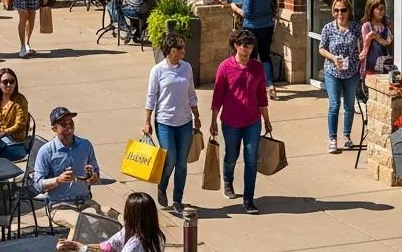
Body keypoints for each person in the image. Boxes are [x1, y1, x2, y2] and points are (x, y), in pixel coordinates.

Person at [209, 27, 272, 214]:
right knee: (231, 156)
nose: (246, 50)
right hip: (230, 121)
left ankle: (248, 198)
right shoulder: (225, 67)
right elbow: (217, 97)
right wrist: (213, 121)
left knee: (251, 159)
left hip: (253, 121)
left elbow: (262, 97)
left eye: (250, 46)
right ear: (236, 46)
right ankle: (227, 180)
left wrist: (267, 120)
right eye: (243, 46)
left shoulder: (257, 68)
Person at [144, 33, 200, 215]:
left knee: (182, 163)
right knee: (171, 160)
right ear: (170, 51)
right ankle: (162, 185)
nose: (184, 51)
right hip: (165, 122)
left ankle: (177, 199)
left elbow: (191, 93)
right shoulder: (158, 71)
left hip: (184, 121)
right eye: (180, 48)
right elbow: (151, 97)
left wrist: (196, 115)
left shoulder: (187, 68)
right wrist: (147, 121)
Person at [33, 107, 101, 220]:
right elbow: (38, 185)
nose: (69, 126)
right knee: (83, 224)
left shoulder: (85, 145)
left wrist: (92, 176)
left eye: (71, 123)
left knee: (109, 221)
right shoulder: (46, 151)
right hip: (59, 205)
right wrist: (58, 180)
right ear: (54, 128)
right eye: (64, 124)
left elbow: (96, 175)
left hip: (84, 201)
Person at [319, 0, 361, 153]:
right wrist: (333, 58)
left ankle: (347, 136)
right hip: (332, 72)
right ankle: (332, 138)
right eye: (336, 10)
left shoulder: (356, 28)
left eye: (343, 10)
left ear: (348, 11)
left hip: (352, 73)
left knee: (349, 106)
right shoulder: (328, 28)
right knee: (334, 105)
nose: (340, 13)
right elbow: (321, 48)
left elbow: (362, 47)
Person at [230, 0, 278, 99]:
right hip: (267, 27)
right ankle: (271, 85)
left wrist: (234, 7)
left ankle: (251, 87)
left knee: (250, 58)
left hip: (251, 28)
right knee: (265, 56)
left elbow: (247, 13)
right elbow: (273, 6)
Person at [57, 191, 165, 252]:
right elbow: (108, 247)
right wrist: (79, 246)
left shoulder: (136, 244)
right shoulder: (157, 235)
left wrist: (80, 248)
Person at [0, 67, 31, 160]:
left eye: (12, 82)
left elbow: (20, 125)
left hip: (14, 142)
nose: (9, 85)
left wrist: (2, 132)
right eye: (5, 82)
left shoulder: (21, 100)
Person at [359, 0, 394, 76]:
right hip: (371, 67)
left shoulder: (387, 25)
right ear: (371, 10)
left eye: (384, 9)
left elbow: (389, 41)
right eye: (380, 9)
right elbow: (365, 43)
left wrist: (375, 36)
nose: (383, 11)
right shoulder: (367, 26)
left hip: (386, 66)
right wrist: (372, 36)